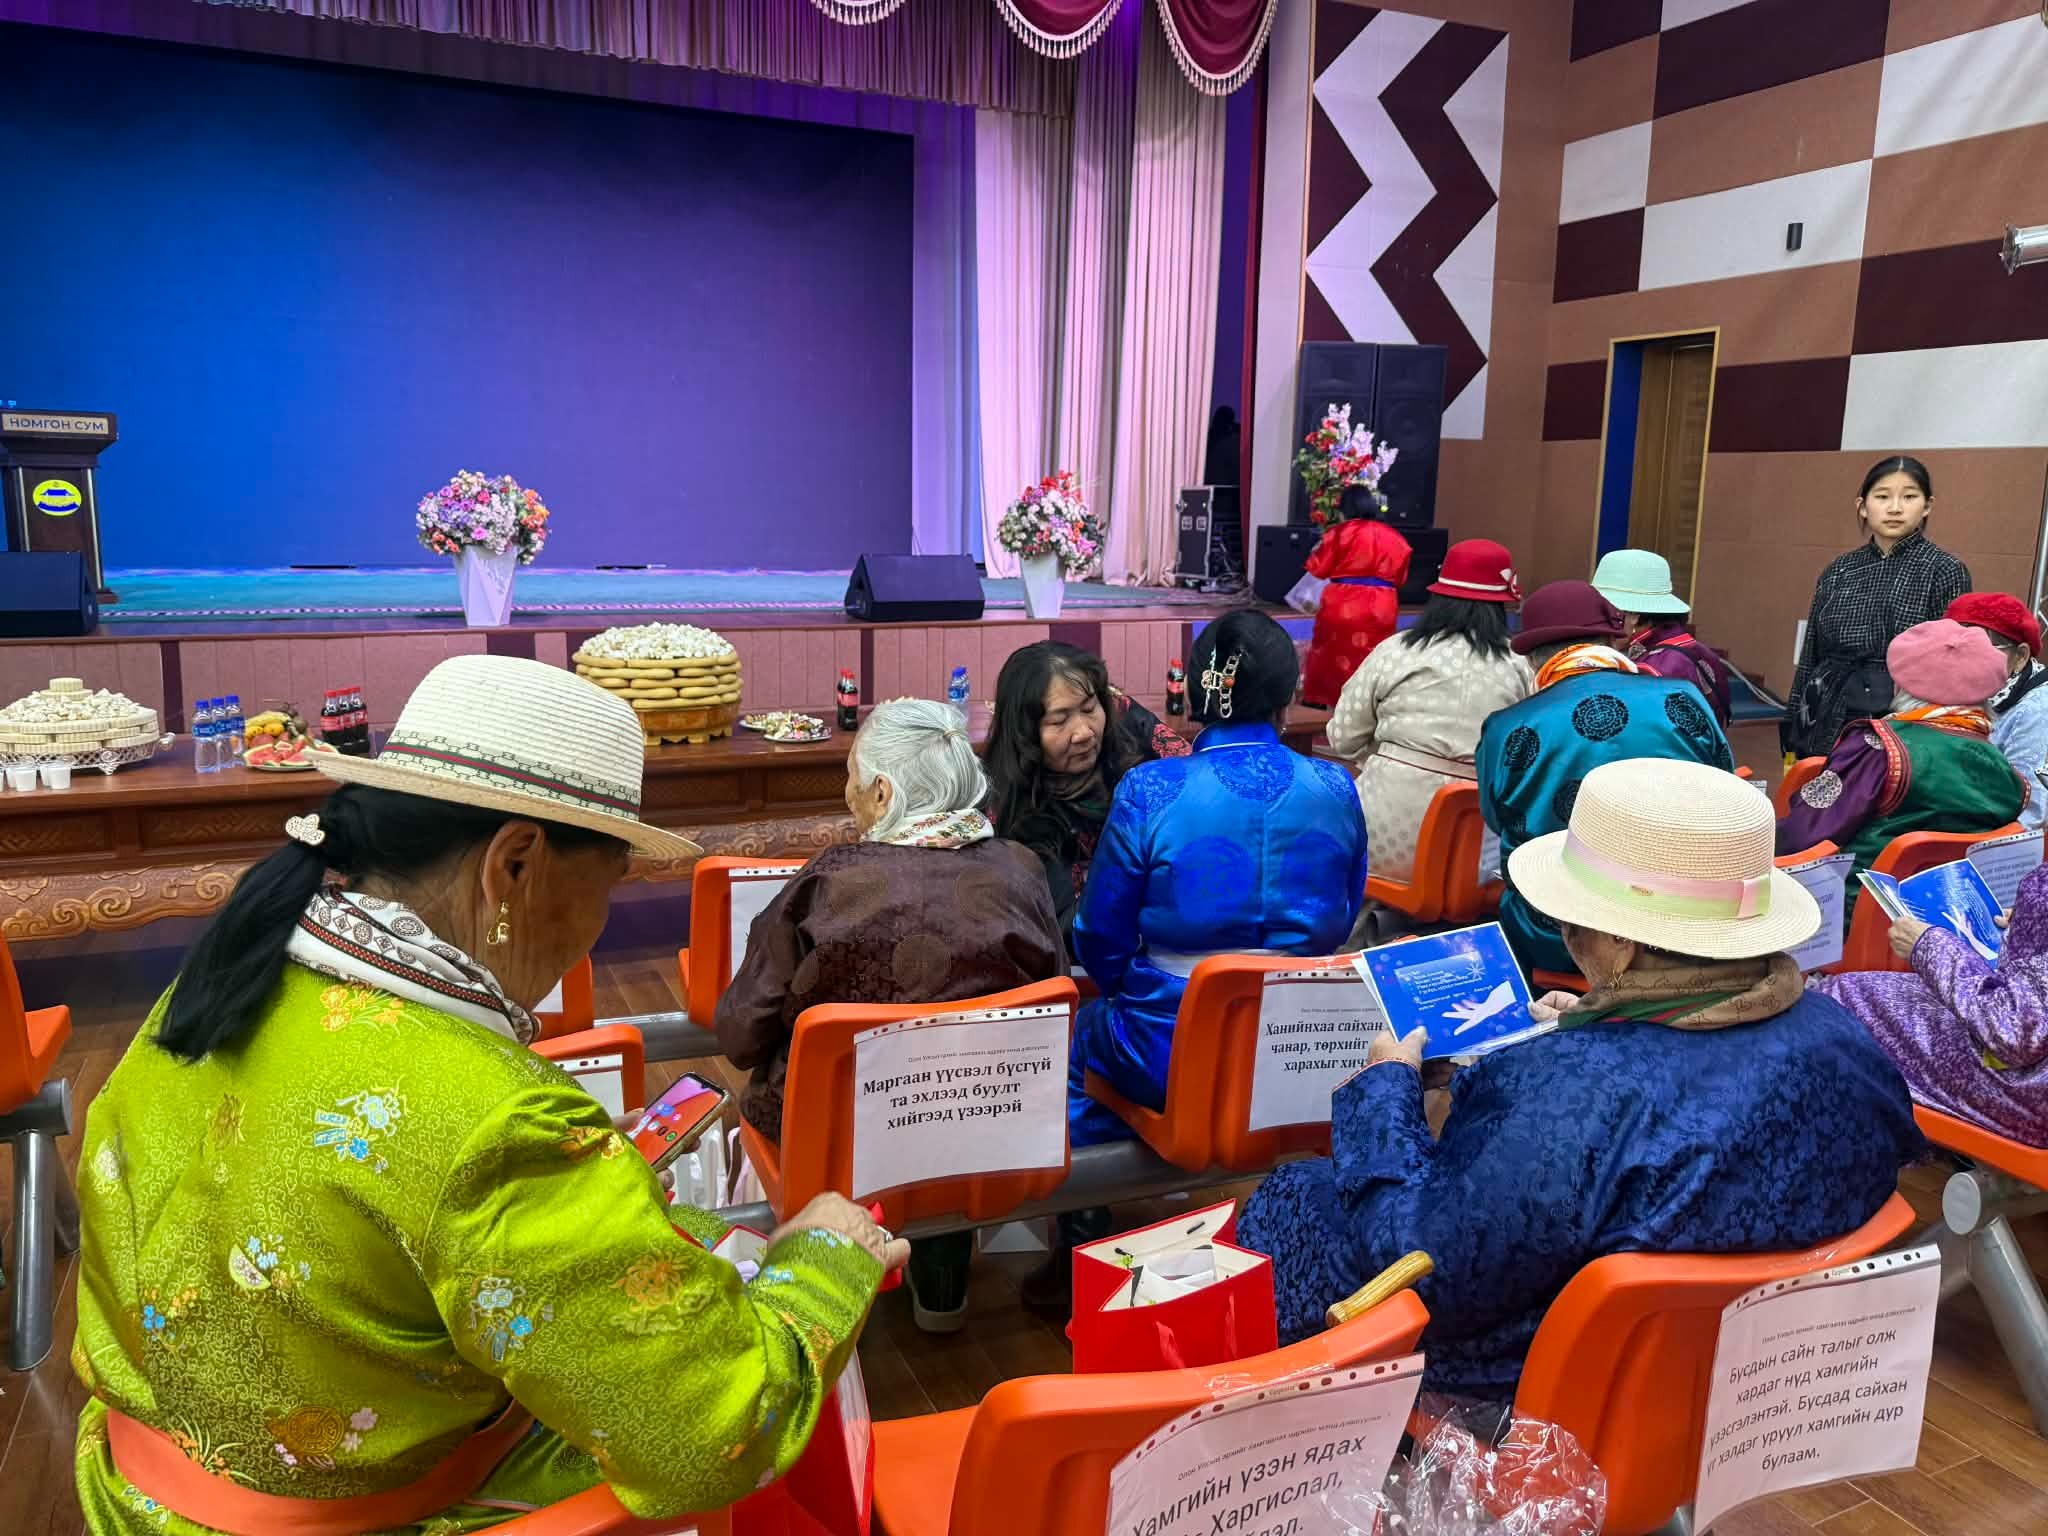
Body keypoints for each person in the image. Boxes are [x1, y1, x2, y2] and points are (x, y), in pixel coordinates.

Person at [71, 655, 908, 1536]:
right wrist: (823, 1258)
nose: (599, 925)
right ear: (514, 865)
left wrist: (580, 1184)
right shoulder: (498, 1120)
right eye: (610, 883)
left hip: (131, 1494)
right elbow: (712, 1434)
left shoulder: (223, 980)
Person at [1242, 759, 1923, 1396]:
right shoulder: (1846, 1040)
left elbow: (1420, 1266)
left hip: (1566, 1374)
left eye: (1575, 924)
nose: (1569, 936)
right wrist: (1600, 1022)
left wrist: (1387, 1088)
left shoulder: (1561, 1091)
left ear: (1623, 944)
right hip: (1759, 1371)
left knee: (1297, 1195)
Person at [1025, 612, 1368, 1306]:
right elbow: (1343, 911)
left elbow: (1099, 936)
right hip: (1305, 1049)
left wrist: (1141, 993)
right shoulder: (1336, 787)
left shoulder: (1152, 790)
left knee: (1076, 1049)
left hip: (1169, 1051)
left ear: (1192, 692)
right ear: (1288, 695)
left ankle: (1080, 1249)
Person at [716, 696, 1066, 1331]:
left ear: (881, 793)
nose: (846, 790)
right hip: (993, 1129)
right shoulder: (1021, 869)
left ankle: (816, 1296)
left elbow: (742, 1033)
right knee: (948, 1101)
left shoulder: (830, 882)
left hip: (839, 1147)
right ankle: (942, 1281)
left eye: (851, 774)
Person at [1475, 582, 1733, 975]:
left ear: (1532, 659)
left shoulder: (1507, 726)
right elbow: (1724, 784)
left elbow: (1497, 818)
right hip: (1679, 925)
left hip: (1557, 934)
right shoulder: (1683, 696)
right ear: (1612, 642)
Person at [1778, 619, 2028, 921]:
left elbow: (1804, 833)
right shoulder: (2004, 771)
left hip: (1861, 918)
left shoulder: (1877, 748)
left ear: (1902, 684)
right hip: (1957, 920)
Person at [1328, 539, 1531, 885]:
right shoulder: (1520, 667)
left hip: (1380, 842)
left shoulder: (1395, 651)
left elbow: (1342, 738)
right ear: (1502, 605)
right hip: (1475, 861)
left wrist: (1388, 753)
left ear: (1438, 596)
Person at [1817, 866, 2048, 1146]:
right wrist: (2029, 927)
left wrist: (1928, 945)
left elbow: (2011, 1032)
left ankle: (1864, 1146)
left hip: (2025, 1084)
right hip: (2024, 1037)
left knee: (1843, 996)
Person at [985, 641, 1190, 936]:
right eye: (1059, 720)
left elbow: (1195, 779)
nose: (1083, 733)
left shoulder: (1125, 724)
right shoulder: (1012, 809)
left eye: (1089, 708)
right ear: (1024, 733)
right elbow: (1064, 929)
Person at [1783, 455, 1970, 759]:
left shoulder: (1945, 570)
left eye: (1909, 497)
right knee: (1817, 783)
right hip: (1825, 708)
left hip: (1901, 715)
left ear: (1927, 506)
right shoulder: (1839, 570)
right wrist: (1793, 720)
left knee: (1878, 785)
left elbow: (1952, 664)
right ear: (1862, 506)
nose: (1895, 508)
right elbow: (1811, 653)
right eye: (1882, 497)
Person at [1591, 547, 1738, 728]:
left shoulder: (1651, 671)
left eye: (1603, 614)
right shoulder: (1692, 648)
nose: (1598, 625)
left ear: (1632, 616)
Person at [1299, 493, 1413, 708]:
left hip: (1344, 601)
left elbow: (1318, 568)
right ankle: (1368, 703)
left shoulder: (1340, 533)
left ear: (1346, 510)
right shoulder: (1395, 537)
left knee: (1329, 651)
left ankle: (1321, 700)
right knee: (1375, 653)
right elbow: (1401, 578)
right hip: (1383, 603)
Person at [1949, 592, 2048, 832]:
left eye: (1980, 648)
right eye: (1954, 647)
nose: (1963, 659)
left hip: (1993, 839)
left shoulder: (2035, 709)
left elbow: (2030, 811)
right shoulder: (1955, 687)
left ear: (2020, 656)